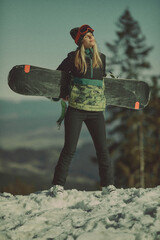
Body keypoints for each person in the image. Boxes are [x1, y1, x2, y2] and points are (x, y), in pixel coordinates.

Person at [51, 24, 116, 197]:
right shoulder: (72, 57)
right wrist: (63, 93)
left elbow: (101, 81)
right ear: (80, 41)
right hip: (76, 110)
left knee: (102, 149)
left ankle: (108, 186)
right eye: (87, 36)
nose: (91, 37)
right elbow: (58, 77)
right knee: (69, 149)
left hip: (96, 111)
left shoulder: (101, 58)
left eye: (92, 35)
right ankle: (57, 185)